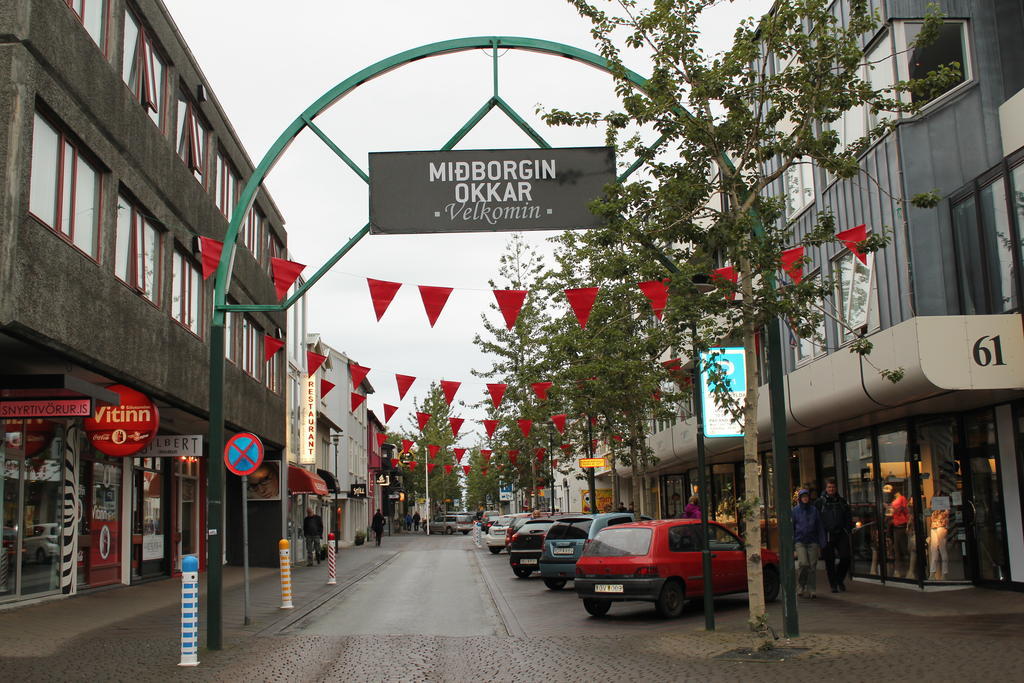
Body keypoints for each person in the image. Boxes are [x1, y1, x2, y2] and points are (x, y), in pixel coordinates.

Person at [816, 479, 853, 592]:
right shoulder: (820, 503)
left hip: (841, 533)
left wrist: (847, 529)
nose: (831, 489)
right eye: (829, 487)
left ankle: (839, 579)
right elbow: (816, 519)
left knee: (846, 557)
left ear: (835, 488)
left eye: (833, 487)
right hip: (827, 534)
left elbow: (848, 516)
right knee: (829, 561)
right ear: (826, 489)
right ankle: (833, 584)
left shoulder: (841, 501)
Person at [792, 488, 826, 598]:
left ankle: (812, 589)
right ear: (800, 498)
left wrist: (822, 542)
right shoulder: (795, 511)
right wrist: (793, 546)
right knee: (803, 563)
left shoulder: (814, 510)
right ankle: (801, 585)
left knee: (812, 566)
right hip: (800, 540)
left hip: (813, 541)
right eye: (803, 497)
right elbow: (791, 528)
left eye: (806, 496)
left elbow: (819, 527)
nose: (805, 498)